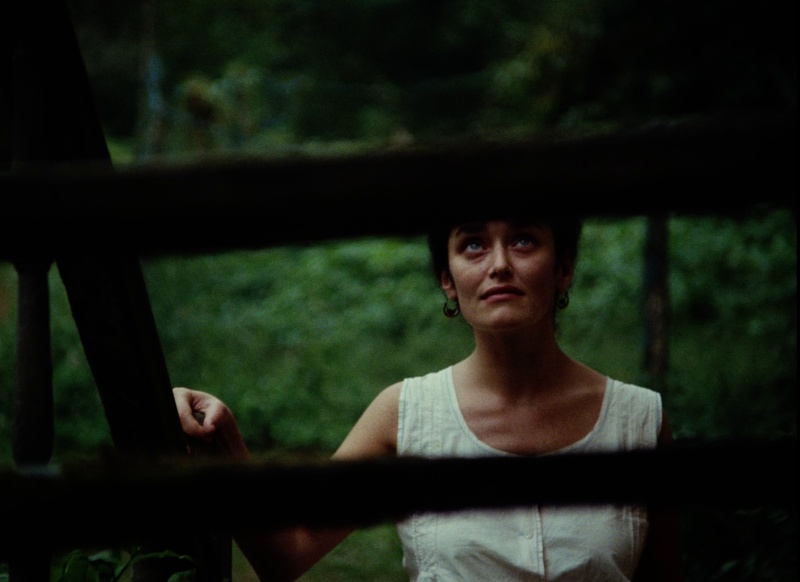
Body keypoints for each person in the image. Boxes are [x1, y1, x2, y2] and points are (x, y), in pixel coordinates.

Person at [173, 212, 684, 581]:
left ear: (563, 267)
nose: (499, 264)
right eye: (473, 245)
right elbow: (287, 553)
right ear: (447, 279)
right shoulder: (406, 414)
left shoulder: (637, 421)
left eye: (524, 240)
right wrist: (221, 434)